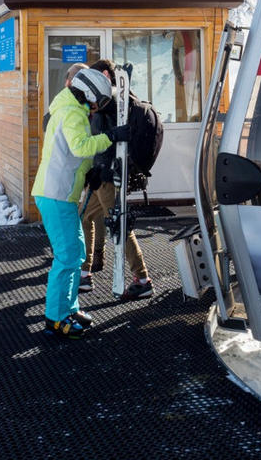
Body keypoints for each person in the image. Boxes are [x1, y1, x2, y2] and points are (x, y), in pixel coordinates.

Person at [34, 67, 130, 338]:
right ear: (87, 93)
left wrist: (90, 171)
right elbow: (80, 146)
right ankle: (56, 318)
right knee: (67, 257)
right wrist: (111, 136)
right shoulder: (72, 112)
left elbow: (70, 150)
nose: (96, 108)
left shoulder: (68, 108)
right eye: (97, 101)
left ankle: (69, 308)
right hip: (56, 194)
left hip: (60, 192)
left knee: (76, 253)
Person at [78, 59, 153, 301]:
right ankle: (84, 273)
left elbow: (113, 140)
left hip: (107, 176)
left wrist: (101, 169)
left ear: (104, 75)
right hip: (103, 174)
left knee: (119, 226)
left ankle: (142, 278)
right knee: (86, 216)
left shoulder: (111, 102)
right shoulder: (117, 99)